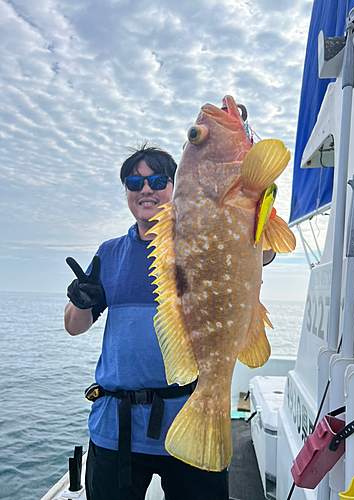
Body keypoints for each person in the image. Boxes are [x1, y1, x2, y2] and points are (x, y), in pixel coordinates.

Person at [64, 143, 229, 500]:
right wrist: (80, 300)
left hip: (191, 420)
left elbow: (259, 250)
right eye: (134, 182)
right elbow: (74, 326)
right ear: (126, 191)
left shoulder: (202, 242)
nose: (146, 190)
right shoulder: (108, 253)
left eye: (157, 180)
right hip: (116, 428)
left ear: (176, 185)